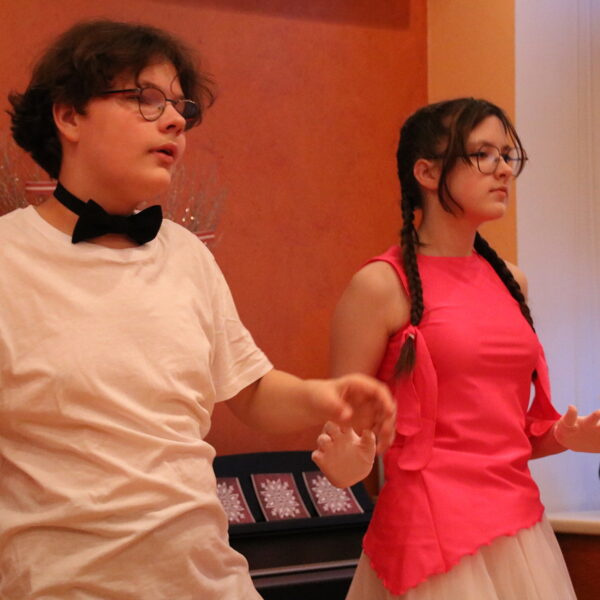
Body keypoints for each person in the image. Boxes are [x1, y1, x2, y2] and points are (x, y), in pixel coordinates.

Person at [0, 20, 395, 600]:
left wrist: (326, 397)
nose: (175, 121)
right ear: (69, 116)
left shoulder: (186, 254)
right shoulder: (8, 259)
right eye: (145, 98)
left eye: (179, 105)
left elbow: (251, 392)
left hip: (213, 583)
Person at [312, 98, 600, 599]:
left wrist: (562, 435)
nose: (503, 169)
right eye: (482, 154)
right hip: (430, 535)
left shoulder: (512, 281)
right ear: (426, 172)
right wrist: (348, 465)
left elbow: (503, 431)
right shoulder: (381, 285)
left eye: (507, 155)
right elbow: (345, 429)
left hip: (519, 526)